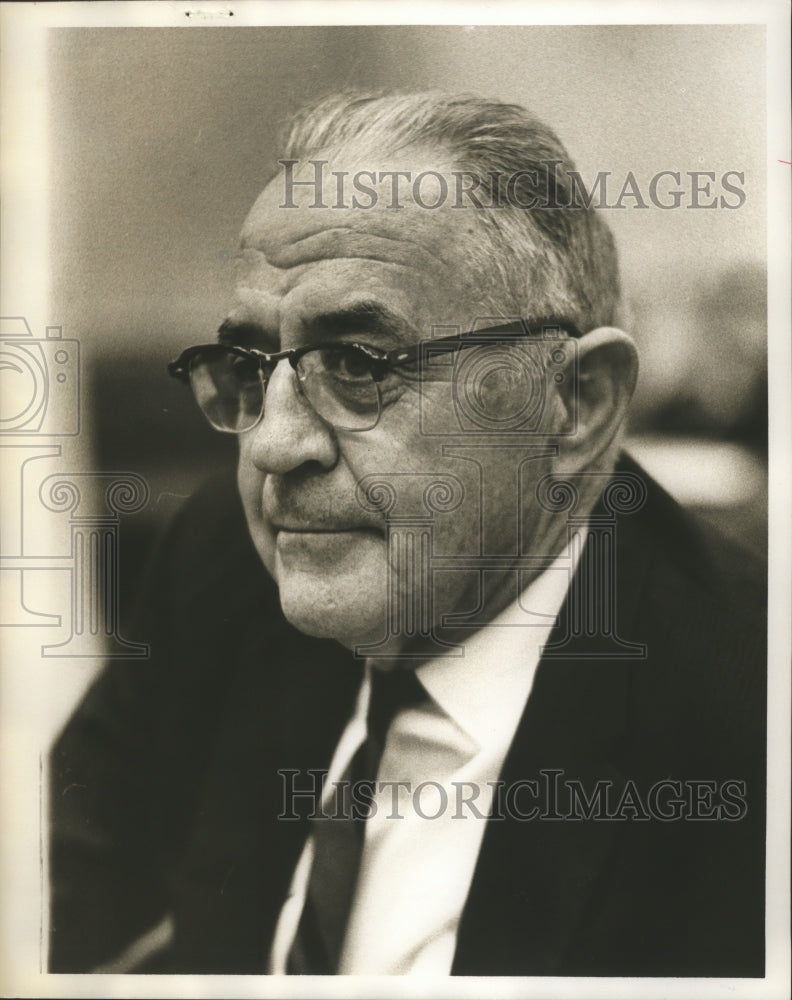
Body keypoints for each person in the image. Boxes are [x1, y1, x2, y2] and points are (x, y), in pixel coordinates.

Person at [49, 91, 766, 977]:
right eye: (247, 367)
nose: (272, 445)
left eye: (359, 364)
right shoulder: (225, 567)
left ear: (575, 405)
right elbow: (53, 906)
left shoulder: (750, 727)